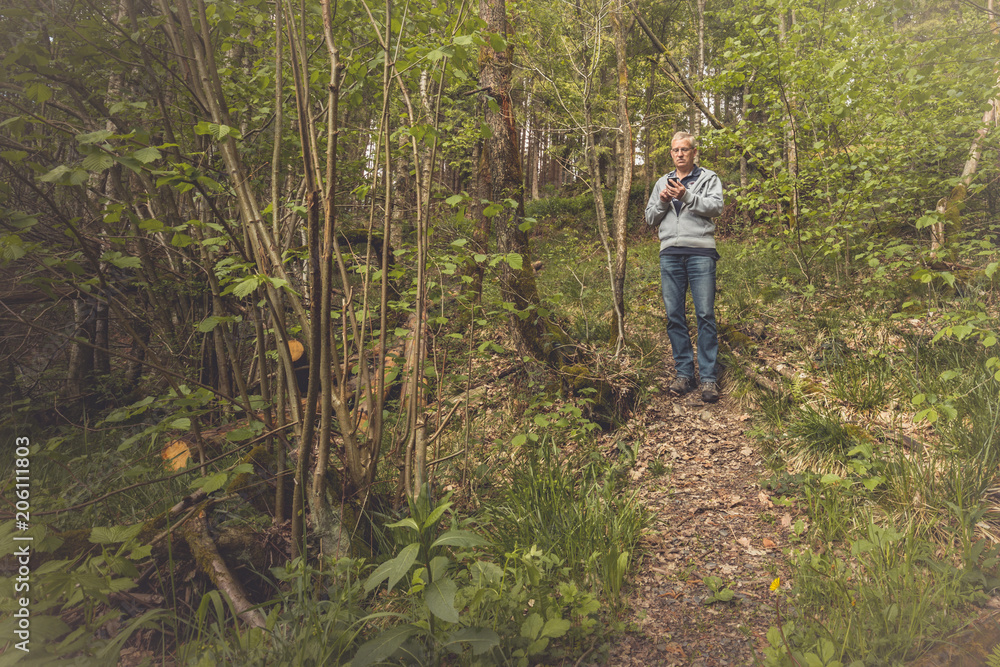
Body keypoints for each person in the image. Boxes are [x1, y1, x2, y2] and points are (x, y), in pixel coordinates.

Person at [644, 131, 725, 403]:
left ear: (694, 152)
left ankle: (709, 378)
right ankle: (684, 374)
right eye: (676, 150)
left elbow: (716, 207)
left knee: (705, 314)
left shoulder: (708, 178)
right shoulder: (662, 182)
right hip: (670, 253)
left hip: (701, 252)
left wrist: (687, 196)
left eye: (685, 149)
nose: (680, 154)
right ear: (671, 153)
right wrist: (663, 201)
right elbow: (650, 218)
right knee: (674, 315)